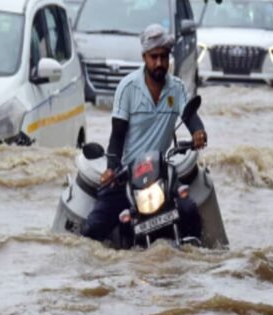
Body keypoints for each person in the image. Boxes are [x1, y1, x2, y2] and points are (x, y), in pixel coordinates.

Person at [81, 24, 208, 244]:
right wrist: (111, 168)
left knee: (189, 210)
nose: (159, 63)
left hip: (162, 172)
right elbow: (117, 136)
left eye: (163, 57)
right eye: (154, 57)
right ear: (144, 57)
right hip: (128, 173)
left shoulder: (177, 88)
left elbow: (190, 117)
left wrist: (198, 132)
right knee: (92, 228)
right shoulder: (127, 87)